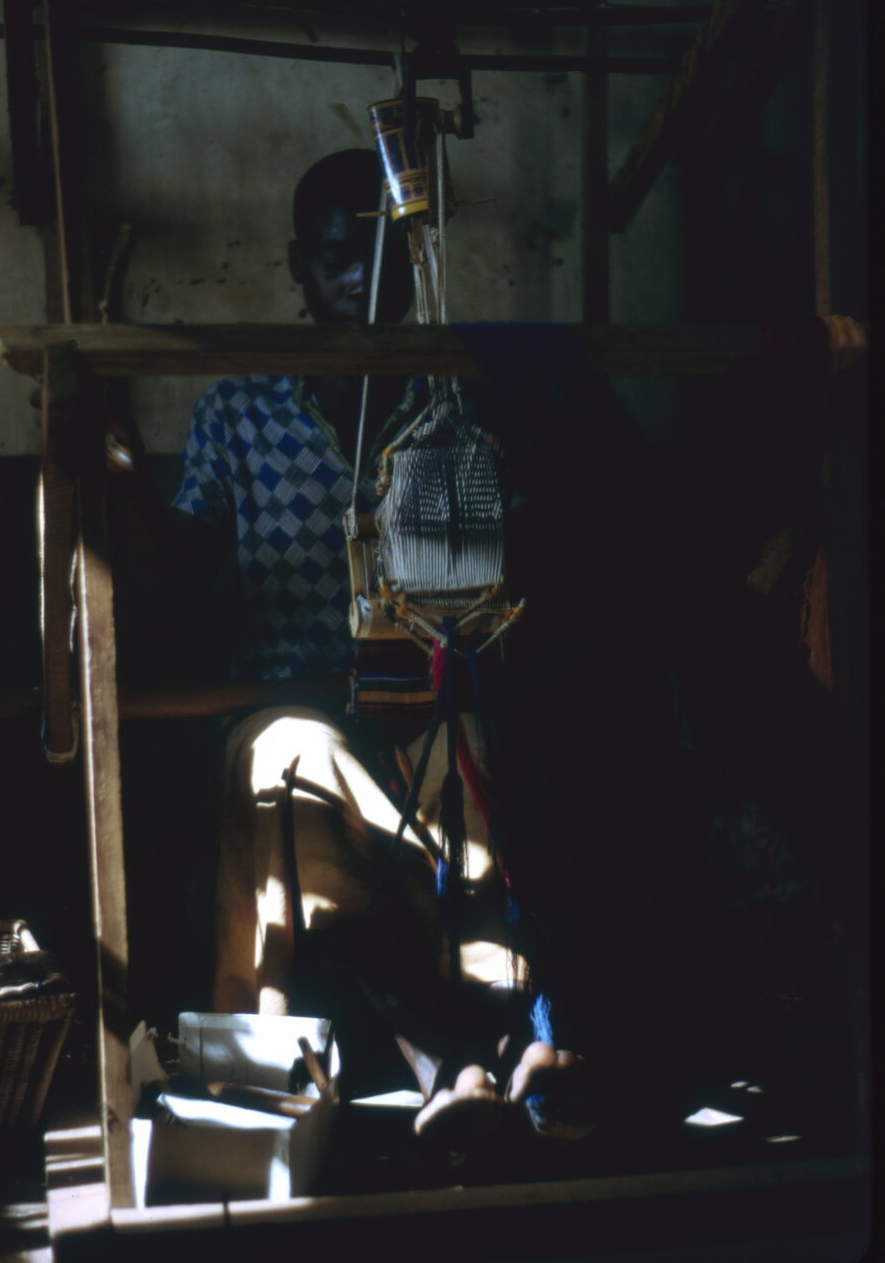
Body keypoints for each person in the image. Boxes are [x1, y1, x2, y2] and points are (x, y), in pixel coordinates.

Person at [107, 148, 589, 1148]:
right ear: (298, 264)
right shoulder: (239, 407)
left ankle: (503, 1057)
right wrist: (112, 464)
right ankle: (453, 1067)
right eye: (336, 257)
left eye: (385, 255)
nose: (362, 279)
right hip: (298, 703)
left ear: (417, 260)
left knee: (471, 773)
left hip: (430, 700)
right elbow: (172, 581)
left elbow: (525, 566)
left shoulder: (458, 398)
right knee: (286, 769)